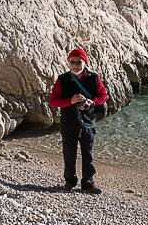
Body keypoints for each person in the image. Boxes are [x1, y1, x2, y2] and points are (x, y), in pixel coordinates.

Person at [50, 48, 107, 194]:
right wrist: (70, 100)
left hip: (88, 123)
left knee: (88, 155)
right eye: (72, 62)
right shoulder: (62, 79)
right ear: (69, 63)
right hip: (68, 123)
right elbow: (53, 101)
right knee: (69, 154)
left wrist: (91, 102)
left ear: (85, 63)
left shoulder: (94, 78)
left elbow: (103, 95)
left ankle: (88, 183)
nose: (75, 65)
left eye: (79, 62)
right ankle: (70, 181)